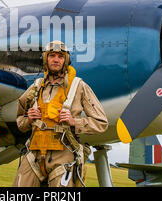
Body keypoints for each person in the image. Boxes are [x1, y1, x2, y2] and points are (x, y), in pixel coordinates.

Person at [13, 40, 108, 187]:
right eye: (52, 55)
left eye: (60, 56)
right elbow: (20, 120)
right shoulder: (35, 88)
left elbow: (101, 123)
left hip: (64, 155)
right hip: (34, 154)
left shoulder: (79, 86)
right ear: (46, 59)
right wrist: (28, 119)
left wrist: (74, 122)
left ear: (66, 60)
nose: (56, 59)